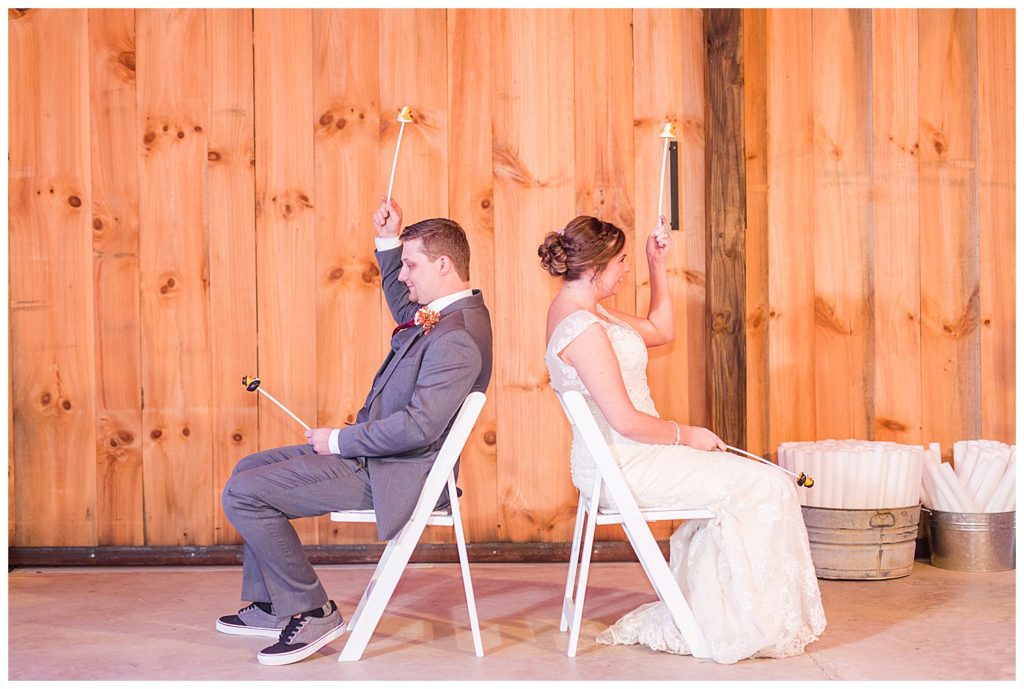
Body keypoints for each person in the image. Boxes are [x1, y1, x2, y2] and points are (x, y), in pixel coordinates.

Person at [217, 198, 493, 666]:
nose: (403, 276)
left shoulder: (458, 336)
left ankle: (312, 610)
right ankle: (273, 603)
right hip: (378, 459)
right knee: (249, 468)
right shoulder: (441, 315)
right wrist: (390, 240)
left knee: (245, 492)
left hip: (397, 474)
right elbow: (403, 301)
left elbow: (419, 427)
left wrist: (339, 440)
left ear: (443, 264)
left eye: (411, 265)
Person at [538, 215, 825, 663]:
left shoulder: (583, 309)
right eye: (622, 262)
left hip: (629, 456)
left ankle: (725, 608)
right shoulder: (584, 330)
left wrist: (657, 264)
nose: (626, 269)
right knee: (767, 485)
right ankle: (742, 620)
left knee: (752, 480)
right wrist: (687, 435)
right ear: (594, 270)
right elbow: (626, 421)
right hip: (626, 463)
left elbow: (661, 331)